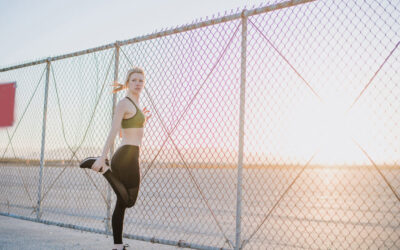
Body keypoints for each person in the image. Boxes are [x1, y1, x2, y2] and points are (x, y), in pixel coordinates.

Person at [79, 67, 151, 250]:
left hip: (131, 153)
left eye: (141, 81)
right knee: (129, 200)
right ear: (128, 82)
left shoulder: (135, 104)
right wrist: (103, 158)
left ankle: (118, 246)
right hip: (126, 155)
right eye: (134, 80)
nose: (138, 83)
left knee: (121, 203)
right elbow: (113, 131)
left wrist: (142, 120)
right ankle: (104, 168)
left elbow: (123, 131)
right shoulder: (124, 104)